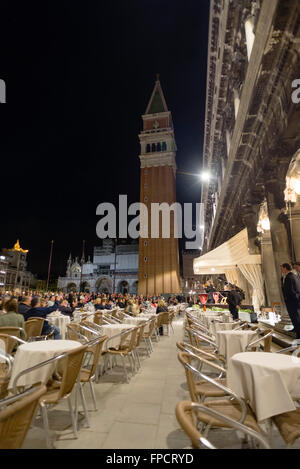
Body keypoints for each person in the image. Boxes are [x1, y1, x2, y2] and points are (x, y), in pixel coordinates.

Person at [281, 263, 300, 339]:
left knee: (295, 316)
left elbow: (292, 290)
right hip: (293, 300)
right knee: (294, 316)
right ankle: (296, 329)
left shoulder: (290, 277)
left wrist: (291, 298)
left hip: (293, 301)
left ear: (285, 268)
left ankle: (299, 334)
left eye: (282, 268)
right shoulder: (293, 276)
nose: (281, 270)